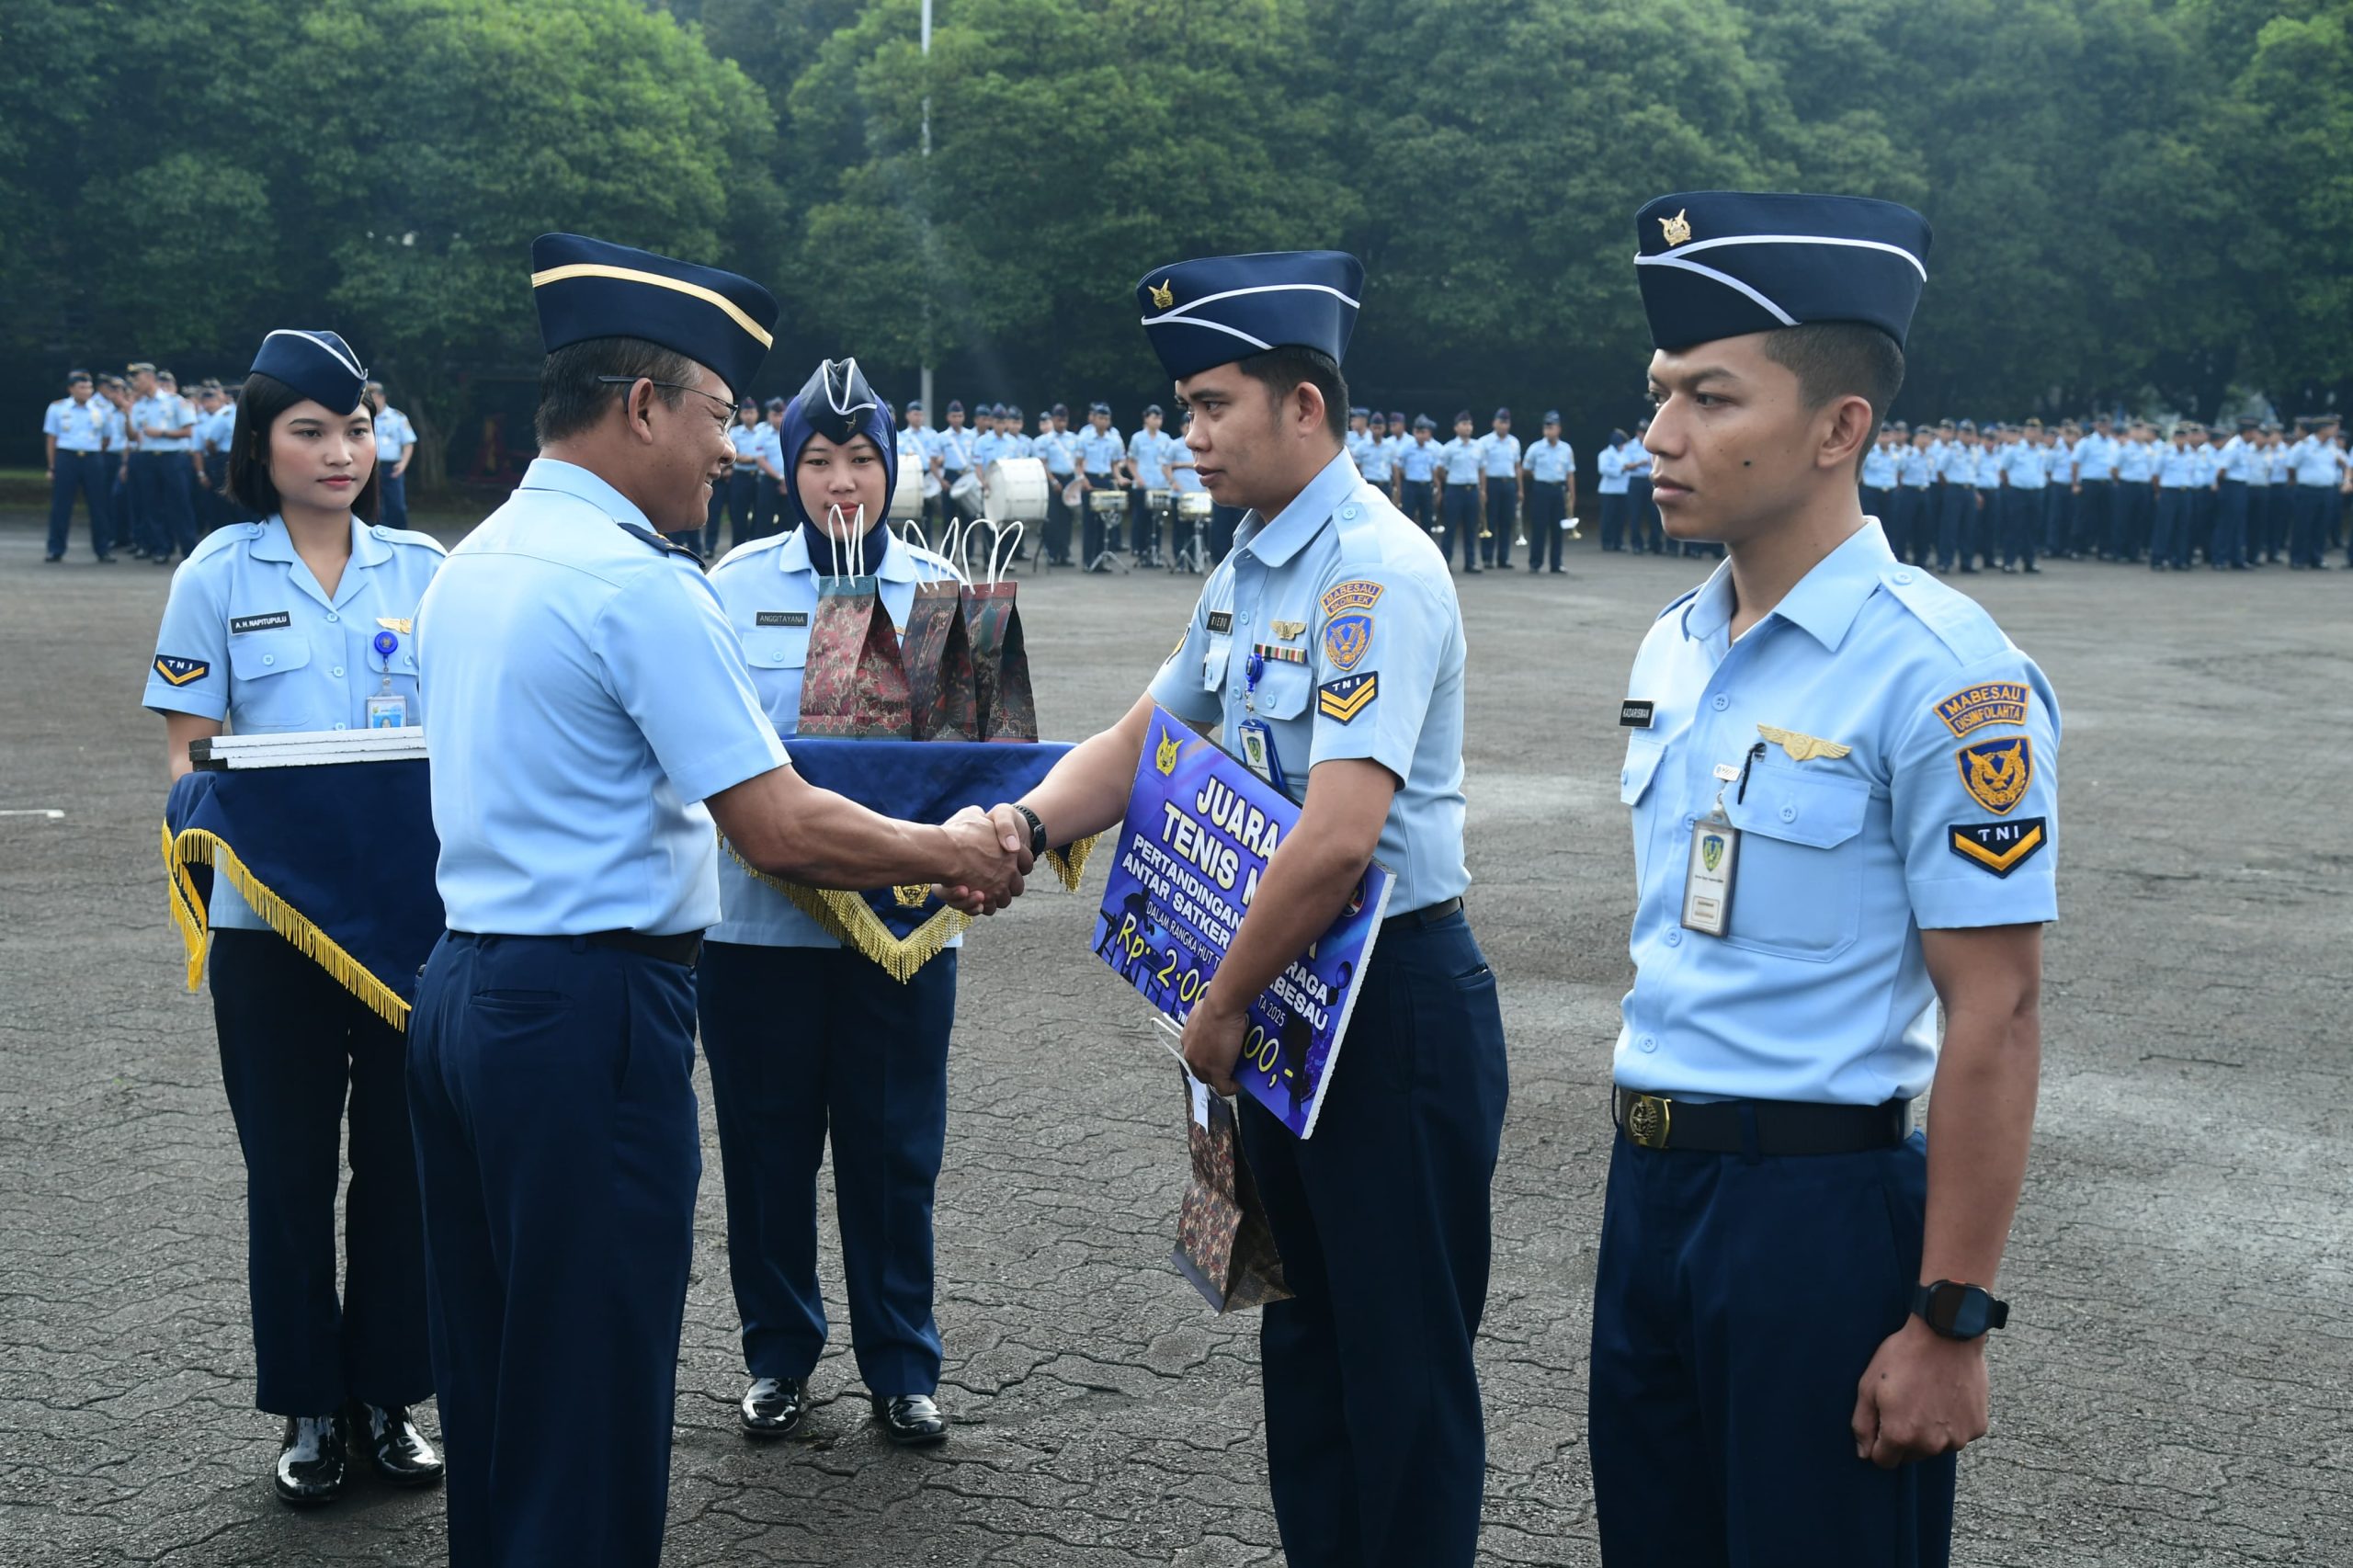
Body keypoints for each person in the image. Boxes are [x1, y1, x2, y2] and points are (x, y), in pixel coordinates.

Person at [405, 234, 1028, 1567]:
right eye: (722, 415)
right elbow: (776, 820)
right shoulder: (646, 585)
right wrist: (957, 849)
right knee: (589, 1382)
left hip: (464, 991)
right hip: (588, 1010)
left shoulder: (475, 558)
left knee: (499, 1364)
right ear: (643, 405)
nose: (731, 451)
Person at [983, 248, 1506, 1568]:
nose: (1189, 437)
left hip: (1384, 1010)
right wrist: (1027, 825)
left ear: (1305, 408)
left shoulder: (1367, 574)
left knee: (1403, 1371)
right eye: (1185, 410)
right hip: (1293, 999)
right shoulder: (1250, 573)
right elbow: (1146, 733)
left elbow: (1336, 840)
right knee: (1310, 1344)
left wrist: (1216, 1011)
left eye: (1213, 405)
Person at [1603, 188, 2055, 1567]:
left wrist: (1952, 1316)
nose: (1660, 436)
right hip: (1651, 1195)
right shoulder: (1673, 644)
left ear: (1837, 428)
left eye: (1710, 399)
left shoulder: (1944, 669)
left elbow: (1999, 1011)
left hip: (1816, 1217)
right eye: (1661, 393)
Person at [143, 328, 448, 1508]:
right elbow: (187, 761)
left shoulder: (425, 569)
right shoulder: (217, 573)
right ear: (259, 444)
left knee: (405, 1167)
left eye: (357, 428)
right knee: (287, 1168)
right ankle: (311, 1405)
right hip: (267, 929)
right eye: (310, 430)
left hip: (405, 926)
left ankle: (389, 1394)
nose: (340, 452)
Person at [701, 358, 969, 1451]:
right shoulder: (728, 584)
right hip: (756, 928)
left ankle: (902, 1364)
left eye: (862, 457)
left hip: (901, 933)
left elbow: (975, 762)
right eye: (818, 459)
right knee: (765, 1151)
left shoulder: (946, 590)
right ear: (786, 469)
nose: (841, 480)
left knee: (894, 1147)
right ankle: (778, 1356)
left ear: (893, 466)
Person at [130, 362, 199, 564]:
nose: (135, 383)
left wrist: (161, 433)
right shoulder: (139, 405)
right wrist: (127, 413)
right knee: (152, 504)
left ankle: (189, 549)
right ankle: (162, 547)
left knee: (180, 503)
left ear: (150, 378)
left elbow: (188, 431)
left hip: (172, 457)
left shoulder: (176, 402)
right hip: (147, 457)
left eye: (138, 378)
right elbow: (133, 435)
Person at [43, 369, 117, 562]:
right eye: (82, 387)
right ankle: (55, 548)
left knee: (99, 505)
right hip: (67, 456)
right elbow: (52, 438)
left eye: (89, 387)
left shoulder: (100, 409)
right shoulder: (57, 408)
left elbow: (107, 438)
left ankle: (102, 549)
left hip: (92, 458)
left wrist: (95, 453)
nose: (86, 391)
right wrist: (52, 466)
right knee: (61, 505)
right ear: (71, 389)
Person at [1523, 410, 1575, 573]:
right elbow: (1526, 469)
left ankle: (1556, 563)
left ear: (1558, 429)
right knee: (1539, 527)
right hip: (1541, 489)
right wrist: (1539, 475)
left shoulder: (1566, 449)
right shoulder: (1536, 448)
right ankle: (1535, 562)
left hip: (1559, 489)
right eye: (1546, 427)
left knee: (1557, 528)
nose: (1548, 431)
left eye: (1551, 427)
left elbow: (1570, 474)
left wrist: (1572, 495)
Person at [1075, 400, 1125, 569]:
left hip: (1106, 480)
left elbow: (1114, 465)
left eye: (1106, 418)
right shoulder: (1084, 438)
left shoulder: (1114, 440)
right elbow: (1078, 463)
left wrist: (1119, 477)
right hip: (1090, 479)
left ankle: (1100, 561)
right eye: (1100, 417)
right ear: (1093, 419)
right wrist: (1083, 480)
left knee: (1105, 524)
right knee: (1090, 523)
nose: (1103, 421)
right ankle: (1088, 560)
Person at [1434, 410, 1484, 574]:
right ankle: (1446, 561)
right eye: (1464, 424)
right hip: (1455, 490)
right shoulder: (1449, 448)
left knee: (1471, 528)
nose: (1468, 427)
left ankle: (1470, 562)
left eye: (1470, 424)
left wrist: (1483, 490)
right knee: (1451, 527)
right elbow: (1440, 470)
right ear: (1456, 428)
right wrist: (1449, 480)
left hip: (1472, 489)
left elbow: (1482, 470)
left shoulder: (1478, 447)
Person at [366, 381, 417, 532]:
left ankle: (400, 534)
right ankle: (375, 534)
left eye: (373, 397)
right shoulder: (364, 416)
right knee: (372, 505)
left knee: (396, 504)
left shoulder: (397, 417)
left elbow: (408, 442)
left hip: (391, 466)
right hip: (369, 466)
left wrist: (403, 464)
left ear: (382, 397)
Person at [1129, 403, 1174, 564]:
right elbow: (1131, 461)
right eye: (1154, 417)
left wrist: (1170, 480)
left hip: (1160, 485)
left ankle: (1155, 551)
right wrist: (1137, 477)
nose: (1157, 420)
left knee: (1158, 520)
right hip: (1143, 484)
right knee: (1141, 519)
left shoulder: (1166, 439)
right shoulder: (1137, 438)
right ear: (1146, 419)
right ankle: (1141, 551)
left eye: (1160, 417)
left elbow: (1169, 462)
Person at [722, 400, 767, 554]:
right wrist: (749, 458)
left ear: (757, 414)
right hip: (740, 476)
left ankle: (755, 548)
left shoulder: (763, 431)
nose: (749, 416)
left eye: (752, 413)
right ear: (741, 415)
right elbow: (732, 454)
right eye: (746, 413)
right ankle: (737, 549)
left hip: (758, 477)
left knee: (759, 513)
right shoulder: (735, 432)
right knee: (738, 513)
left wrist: (753, 459)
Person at [1479, 407, 1520, 569]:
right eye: (1501, 422)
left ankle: (1503, 558)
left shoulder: (1514, 442)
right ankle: (1487, 557)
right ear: (1494, 423)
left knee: (1506, 521)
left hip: (1508, 483)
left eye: (1506, 422)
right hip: (1491, 483)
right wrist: (1482, 489)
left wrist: (1520, 488)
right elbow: (1481, 468)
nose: (1504, 425)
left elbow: (1517, 466)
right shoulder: (1484, 442)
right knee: (1490, 520)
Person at [1038, 403, 1079, 564]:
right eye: (1058, 419)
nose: (1061, 423)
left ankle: (1065, 553)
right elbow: (1043, 463)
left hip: (1070, 479)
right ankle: (1052, 553)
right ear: (1053, 420)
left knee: (1067, 519)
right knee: (1053, 518)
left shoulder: (1073, 439)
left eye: (1064, 420)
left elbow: (1077, 462)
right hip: (1053, 478)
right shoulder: (1046, 440)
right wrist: (1053, 480)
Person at [1396, 413, 1440, 531]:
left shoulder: (1432, 448)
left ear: (1428, 433)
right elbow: (1399, 466)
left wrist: (1438, 487)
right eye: (1418, 432)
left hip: (1426, 486)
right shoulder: (1407, 447)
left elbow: (1433, 469)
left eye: (1424, 432)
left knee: (1427, 518)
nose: (1421, 435)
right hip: (1411, 486)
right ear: (1414, 432)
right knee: (1408, 517)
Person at [1623, 422, 1661, 552]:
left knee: (1655, 514)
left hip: (1650, 480)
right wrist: (1640, 463)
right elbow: (1626, 465)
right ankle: (1636, 544)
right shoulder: (1629, 446)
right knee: (1635, 514)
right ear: (1637, 432)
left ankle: (1655, 544)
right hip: (1636, 481)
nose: (1643, 434)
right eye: (1641, 432)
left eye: (1645, 432)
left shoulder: (1654, 442)